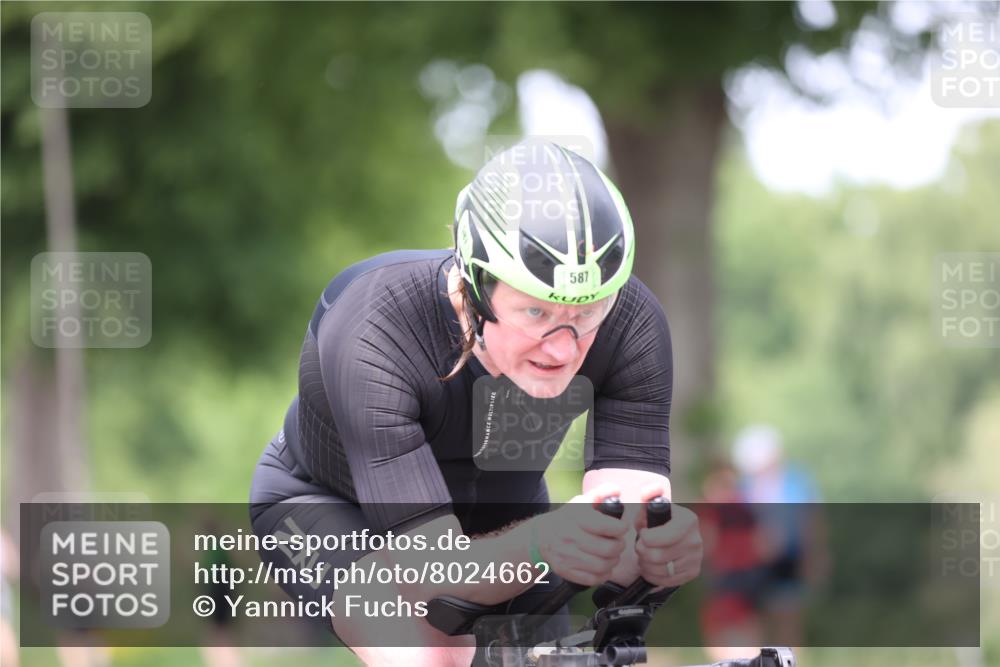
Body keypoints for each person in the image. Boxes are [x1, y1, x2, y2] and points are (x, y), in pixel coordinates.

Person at [250, 140, 703, 666]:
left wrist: (658, 556)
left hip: (507, 512)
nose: (563, 346)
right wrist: (543, 544)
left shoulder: (631, 323)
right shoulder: (374, 328)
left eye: (587, 313)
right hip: (328, 509)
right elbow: (431, 579)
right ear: (471, 290)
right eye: (535, 313)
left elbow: (625, 534)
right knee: (435, 657)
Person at [731, 424, 829, 649]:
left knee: (788, 626)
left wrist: (815, 557)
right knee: (757, 627)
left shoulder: (796, 481)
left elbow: (811, 522)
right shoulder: (743, 487)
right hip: (753, 565)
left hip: (789, 560)